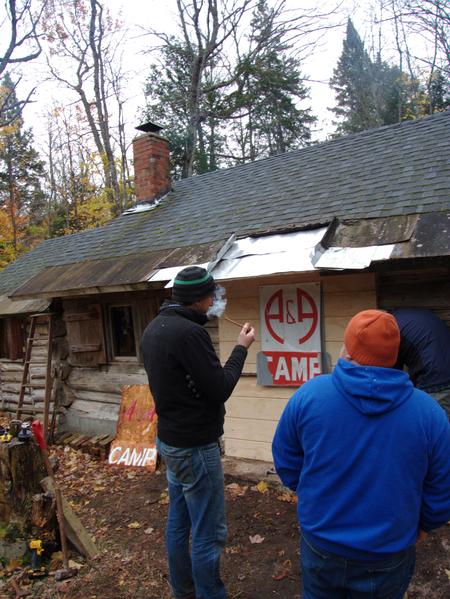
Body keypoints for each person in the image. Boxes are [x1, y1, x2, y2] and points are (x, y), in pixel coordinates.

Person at [272, 309, 450, 599]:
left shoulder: (309, 395)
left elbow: (286, 460)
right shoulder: (430, 413)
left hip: (322, 543)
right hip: (389, 551)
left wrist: (311, 496)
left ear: (348, 348)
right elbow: (442, 488)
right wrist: (425, 524)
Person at [141, 266, 255, 599]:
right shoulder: (189, 334)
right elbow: (219, 388)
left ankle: (183, 591)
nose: (213, 302)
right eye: (211, 296)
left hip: (171, 442)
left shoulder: (154, 328)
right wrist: (241, 348)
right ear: (201, 298)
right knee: (208, 531)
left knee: (179, 523)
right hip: (194, 446)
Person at [391, 307, 450, 417]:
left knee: (435, 427)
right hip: (442, 370)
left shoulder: (390, 329)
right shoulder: (408, 315)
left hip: (435, 381)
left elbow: (392, 373)